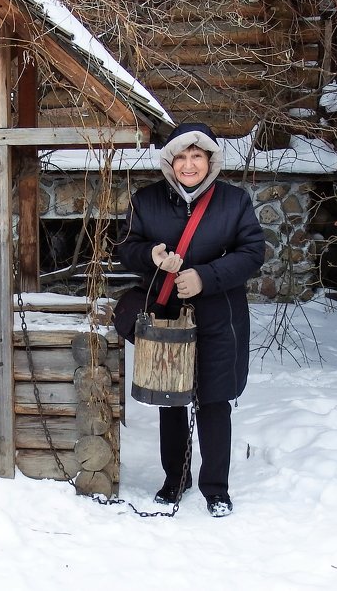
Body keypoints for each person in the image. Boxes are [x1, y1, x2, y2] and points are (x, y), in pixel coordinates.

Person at [117, 121, 265, 517]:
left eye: (196, 156)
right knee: (172, 400)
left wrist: (205, 277)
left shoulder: (234, 201)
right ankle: (174, 479)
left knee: (215, 402)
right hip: (166, 316)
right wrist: (152, 256)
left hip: (221, 317)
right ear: (169, 161)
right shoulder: (145, 200)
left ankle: (216, 487)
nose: (188, 164)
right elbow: (125, 247)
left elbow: (252, 252)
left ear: (210, 160)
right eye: (180, 156)